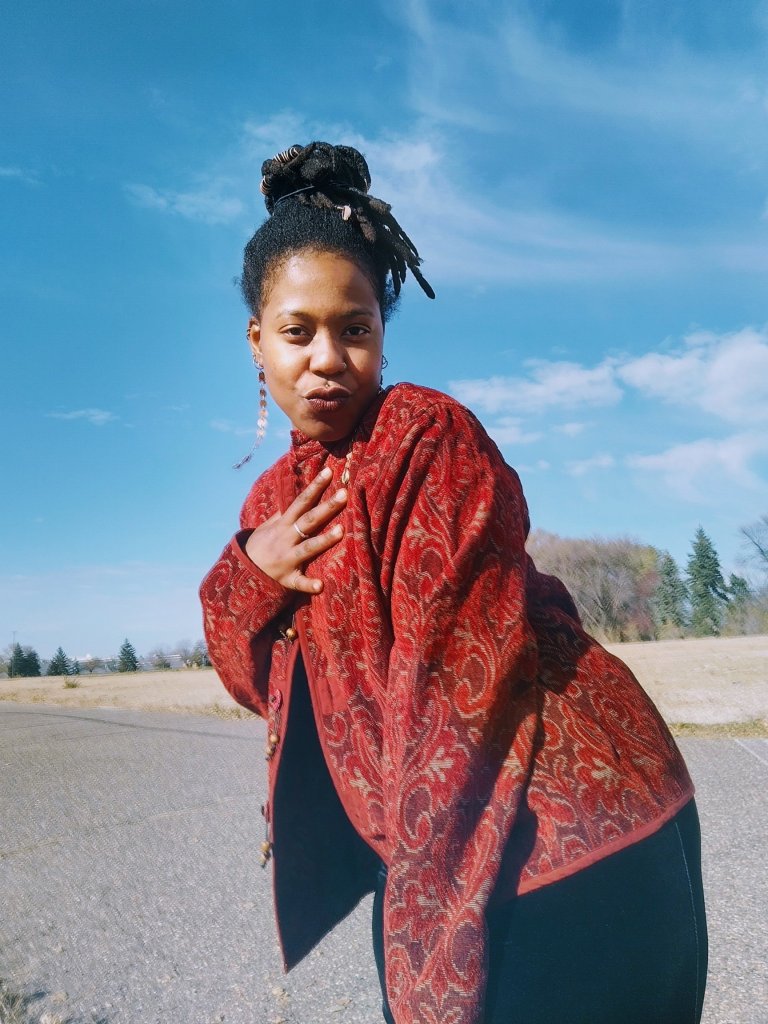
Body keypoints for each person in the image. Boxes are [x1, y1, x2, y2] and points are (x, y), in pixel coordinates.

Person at [200, 141, 707, 1024]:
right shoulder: (272, 502)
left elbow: (460, 704)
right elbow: (260, 684)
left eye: (354, 328)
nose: (327, 356)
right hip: (444, 858)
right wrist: (250, 571)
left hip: (574, 852)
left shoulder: (426, 439)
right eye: (298, 330)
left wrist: (428, 955)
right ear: (256, 341)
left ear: (382, 333)